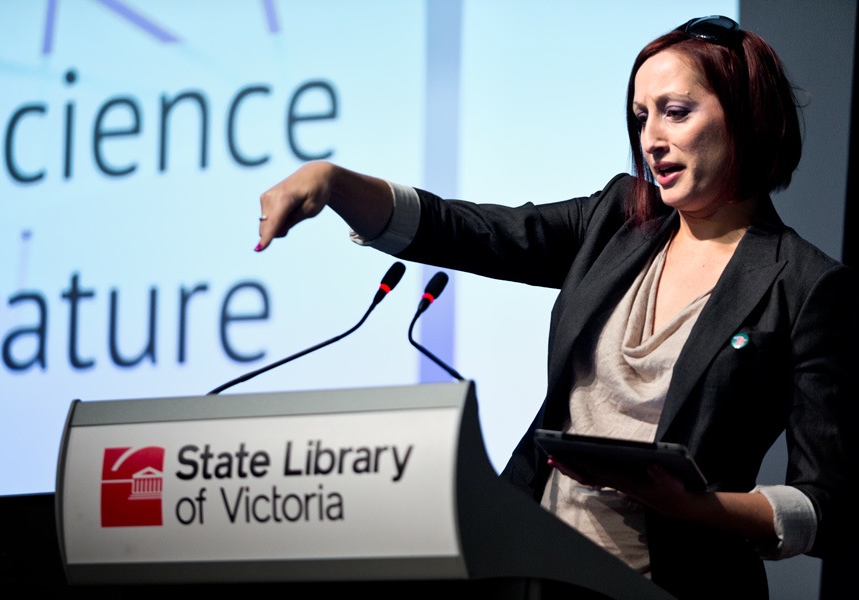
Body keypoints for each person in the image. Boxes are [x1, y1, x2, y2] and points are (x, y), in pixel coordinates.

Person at [255, 15, 858, 600]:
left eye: (676, 111)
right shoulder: (617, 220)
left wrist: (694, 507)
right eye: (641, 117)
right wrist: (334, 182)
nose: (652, 138)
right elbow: (466, 230)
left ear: (747, 116)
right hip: (532, 563)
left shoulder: (804, 285)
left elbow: (824, 506)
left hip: (673, 582)